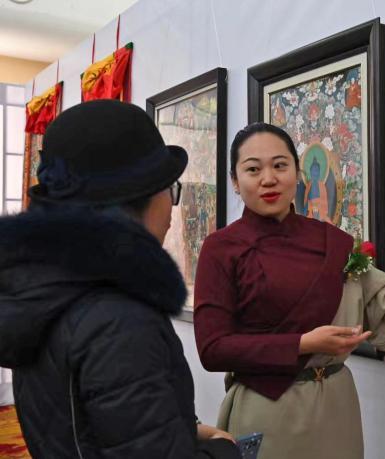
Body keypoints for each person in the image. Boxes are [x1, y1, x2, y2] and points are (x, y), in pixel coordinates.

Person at [193, 122, 385, 459]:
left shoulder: (332, 242)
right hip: (267, 408)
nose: (268, 179)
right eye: (253, 169)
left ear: (298, 173)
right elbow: (213, 349)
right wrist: (303, 344)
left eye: (280, 165)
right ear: (235, 181)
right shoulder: (221, 248)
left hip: (336, 404)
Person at [0, 100, 241, 459]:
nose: (171, 209)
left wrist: (176, 427)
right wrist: (224, 452)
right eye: (171, 189)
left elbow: (85, 423)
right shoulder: (118, 320)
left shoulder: (44, 291)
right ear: (137, 201)